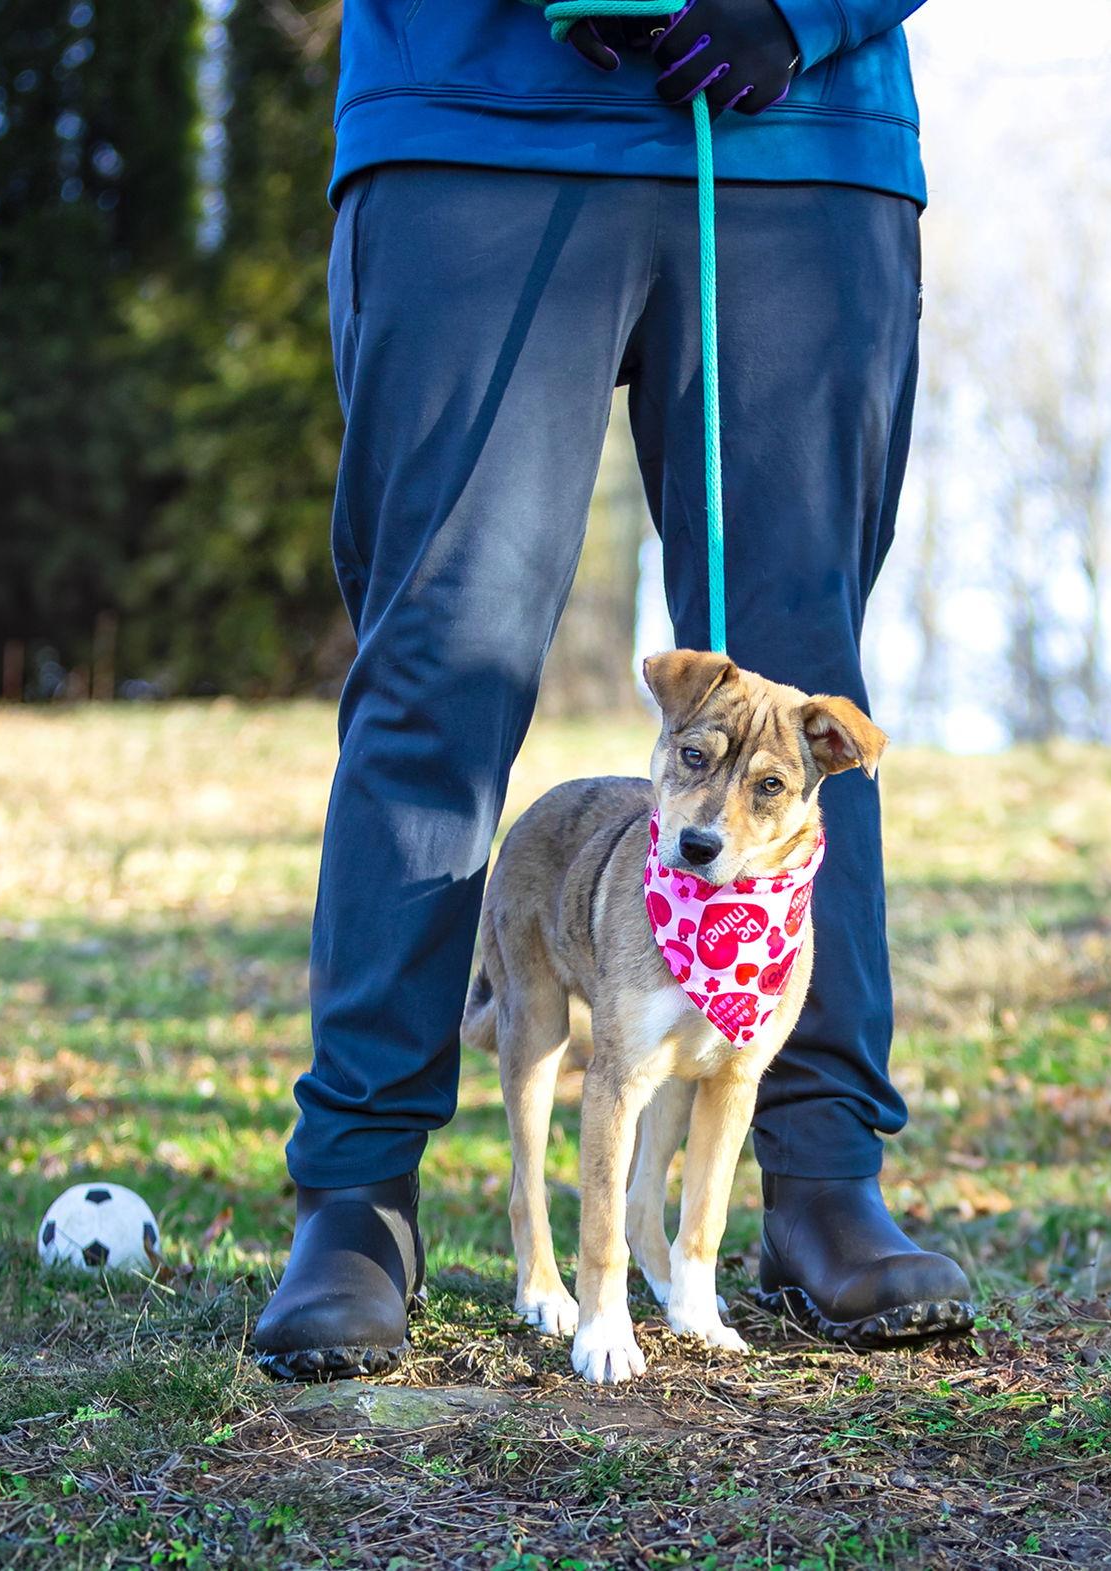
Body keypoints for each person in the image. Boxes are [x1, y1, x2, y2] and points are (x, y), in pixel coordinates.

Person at [252, 0, 974, 1379]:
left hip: (800, 145)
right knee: (438, 664)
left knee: (795, 689)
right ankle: (357, 1195)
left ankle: (819, 1177)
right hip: (475, 123)